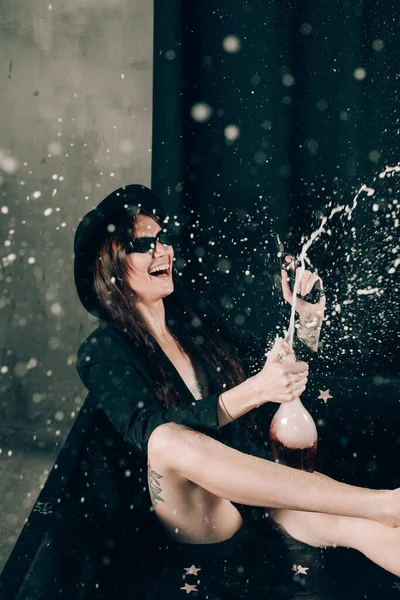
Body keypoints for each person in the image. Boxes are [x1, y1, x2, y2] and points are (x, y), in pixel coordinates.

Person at [73, 184, 400, 583]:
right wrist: (256, 390)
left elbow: (270, 363)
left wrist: (307, 320)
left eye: (162, 239)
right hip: (194, 510)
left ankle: (382, 510)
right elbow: (147, 432)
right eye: (144, 244)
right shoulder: (102, 350)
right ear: (108, 266)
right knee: (165, 439)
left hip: (253, 483)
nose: (163, 250)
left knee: (369, 529)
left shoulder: (194, 317)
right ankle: (380, 501)